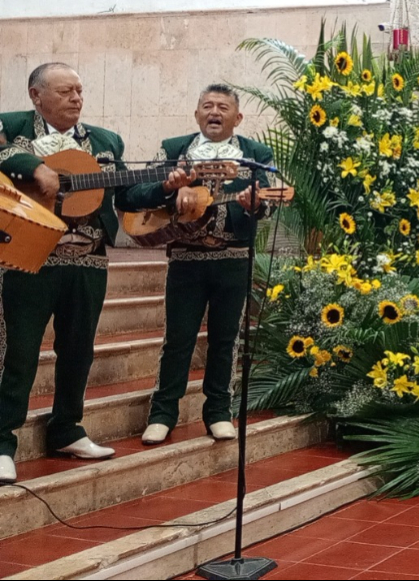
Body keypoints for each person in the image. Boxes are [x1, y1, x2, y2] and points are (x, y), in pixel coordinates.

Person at [0, 63, 151, 483]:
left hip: (88, 261)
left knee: (78, 351)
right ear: (36, 95)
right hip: (27, 259)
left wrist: (166, 186)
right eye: (66, 91)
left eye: (80, 91)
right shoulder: (10, 126)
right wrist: (33, 167)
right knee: (19, 352)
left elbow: (130, 192)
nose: (76, 99)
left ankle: (67, 428)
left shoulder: (104, 141)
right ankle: (1, 441)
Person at [121, 85, 275, 446]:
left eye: (223, 107)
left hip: (233, 260)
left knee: (225, 340)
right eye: (207, 106)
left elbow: (268, 202)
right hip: (186, 260)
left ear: (237, 118)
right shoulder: (175, 149)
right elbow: (134, 195)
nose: (214, 112)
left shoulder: (254, 154)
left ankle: (219, 412)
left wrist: (256, 205)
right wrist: (168, 189)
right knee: (178, 339)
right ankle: (162, 414)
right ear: (196, 115)